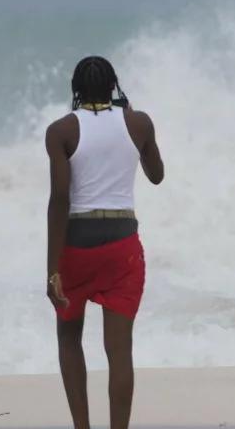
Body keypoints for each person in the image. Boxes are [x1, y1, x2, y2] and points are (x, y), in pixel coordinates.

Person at [45, 56, 164, 429]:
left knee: (68, 337)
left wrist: (52, 270)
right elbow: (156, 175)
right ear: (114, 85)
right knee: (120, 351)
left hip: (77, 248)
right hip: (122, 248)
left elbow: (61, 199)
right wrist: (133, 121)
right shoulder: (138, 122)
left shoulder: (61, 130)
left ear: (75, 89)